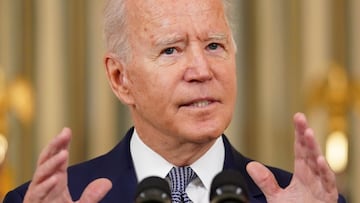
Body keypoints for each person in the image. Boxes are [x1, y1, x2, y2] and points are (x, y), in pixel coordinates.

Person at [4, 0, 346, 202]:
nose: (201, 70)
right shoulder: (56, 198)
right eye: (171, 50)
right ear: (120, 79)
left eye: (214, 46)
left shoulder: (296, 198)